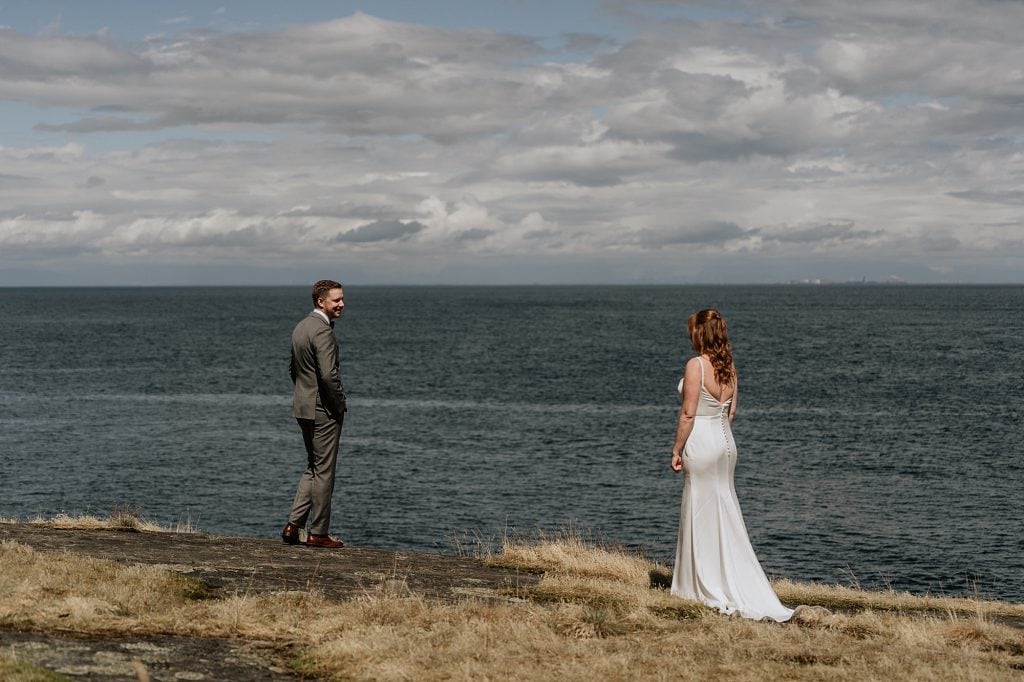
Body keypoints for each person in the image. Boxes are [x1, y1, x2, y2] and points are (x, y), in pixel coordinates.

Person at [669, 308, 793, 622]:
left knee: (699, 509)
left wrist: (677, 449)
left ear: (700, 334)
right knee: (725, 510)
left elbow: (688, 414)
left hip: (702, 440)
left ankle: (700, 586)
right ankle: (733, 579)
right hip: (726, 444)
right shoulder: (730, 368)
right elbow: (731, 413)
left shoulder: (696, 365)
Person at [281, 279, 348, 549]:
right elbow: (329, 375)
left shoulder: (301, 327)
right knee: (325, 471)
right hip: (323, 409)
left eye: (342, 298)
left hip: (303, 406)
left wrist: (304, 394)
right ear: (321, 301)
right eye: (336, 300)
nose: (342, 304)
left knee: (313, 466)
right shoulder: (322, 331)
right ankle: (318, 532)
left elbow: (292, 369)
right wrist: (339, 403)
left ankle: (293, 525)